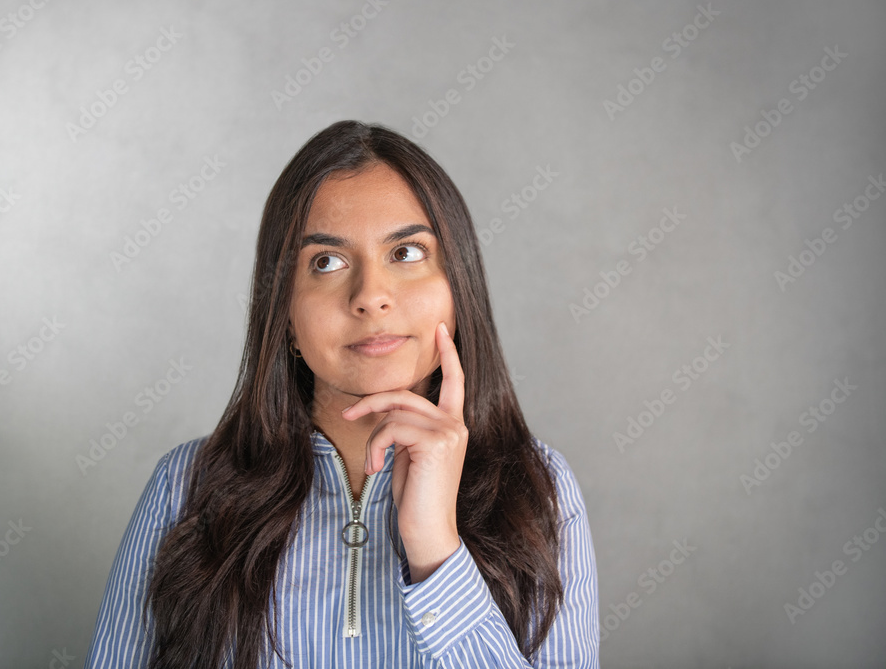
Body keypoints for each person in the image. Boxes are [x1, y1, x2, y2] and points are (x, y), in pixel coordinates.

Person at [83, 120, 599, 668]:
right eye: (326, 262)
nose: (371, 296)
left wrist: (436, 550)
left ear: (458, 287)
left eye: (406, 253)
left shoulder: (540, 490)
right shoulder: (182, 488)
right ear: (283, 313)